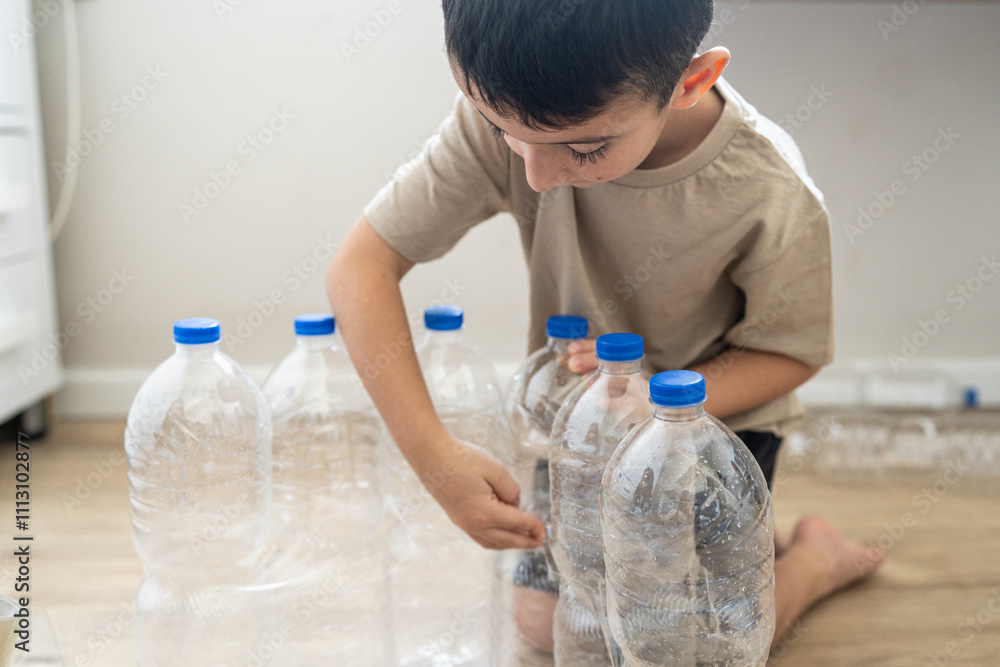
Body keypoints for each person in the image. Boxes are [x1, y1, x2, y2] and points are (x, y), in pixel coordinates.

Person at [327, 0, 884, 657]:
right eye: (498, 127)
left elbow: (791, 354)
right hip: (583, 431)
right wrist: (433, 455)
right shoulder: (517, 115)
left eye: (585, 149)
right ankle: (756, 554)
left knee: (699, 645)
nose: (536, 175)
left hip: (718, 426)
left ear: (691, 81)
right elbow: (360, 267)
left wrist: (658, 399)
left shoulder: (768, 188)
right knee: (544, 625)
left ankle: (814, 558)